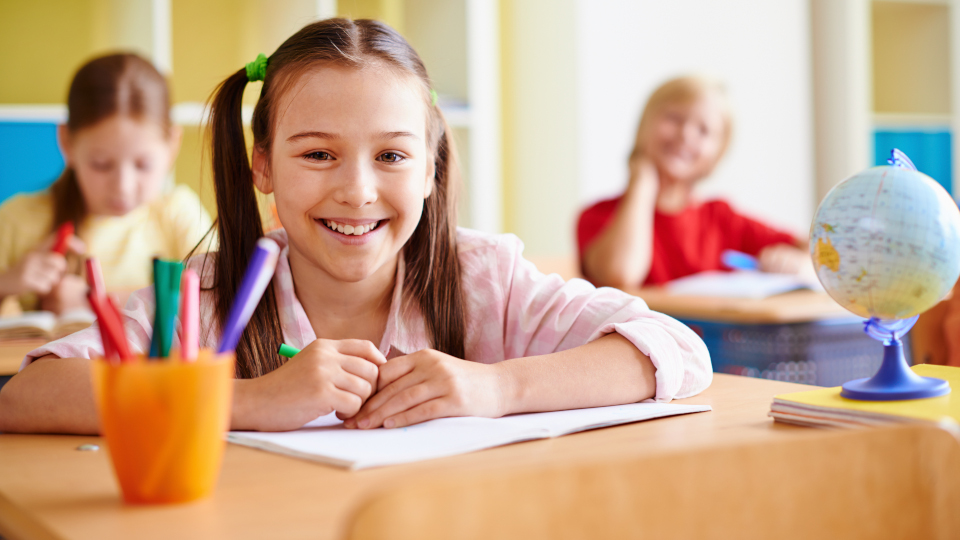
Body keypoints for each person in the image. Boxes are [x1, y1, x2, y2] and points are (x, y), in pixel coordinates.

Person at [0, 19, 710, 434]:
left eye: (393, 155)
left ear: (431, 168)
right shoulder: (203, 298)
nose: (357, 190)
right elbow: (29, 395)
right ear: (264, 167)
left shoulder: (482, 279)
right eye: (317, 154)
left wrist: (497, 389)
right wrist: (251, 401)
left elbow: (675, 349)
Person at [0, 53, 213, 314]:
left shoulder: (177, 214)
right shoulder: (16, 219)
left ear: (172, 145)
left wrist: (96, 303)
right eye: (101, 164)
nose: (122, 186)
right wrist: (6, 283)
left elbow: (221, 294)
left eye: (142, 165)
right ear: (66, 142)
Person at [577, 76, 807, 289]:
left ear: (718, 154)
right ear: (644, 125)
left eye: (704, 130)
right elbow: (621, 274)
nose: (686, 134)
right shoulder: (598, 217)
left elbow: (815, 248)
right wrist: (642, 184)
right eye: (674, 118)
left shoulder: (721, 219)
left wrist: (795, 262)